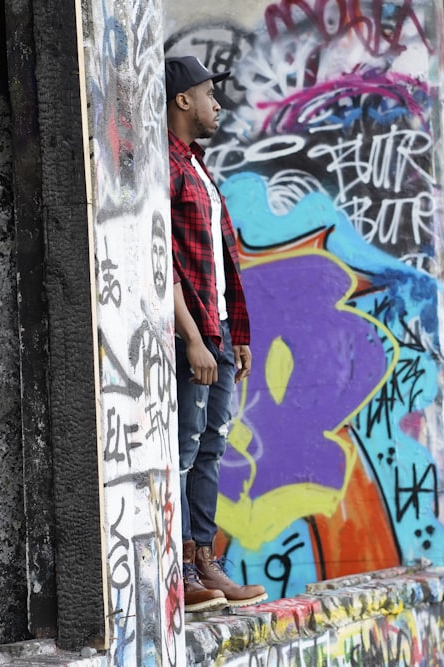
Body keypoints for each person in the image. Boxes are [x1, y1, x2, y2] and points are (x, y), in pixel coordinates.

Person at [164, 55, 268, 613]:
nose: (217, 104)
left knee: (212, 447)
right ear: (183, 100)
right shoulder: (167, 167)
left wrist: (237, 334)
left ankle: (206, 562)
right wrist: (194, 338)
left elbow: (222, 263)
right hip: (195, 336)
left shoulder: (199, 168)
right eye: (209, 94)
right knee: (184, 449)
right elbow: (165, 264)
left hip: (220, 333)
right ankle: (180, 567)